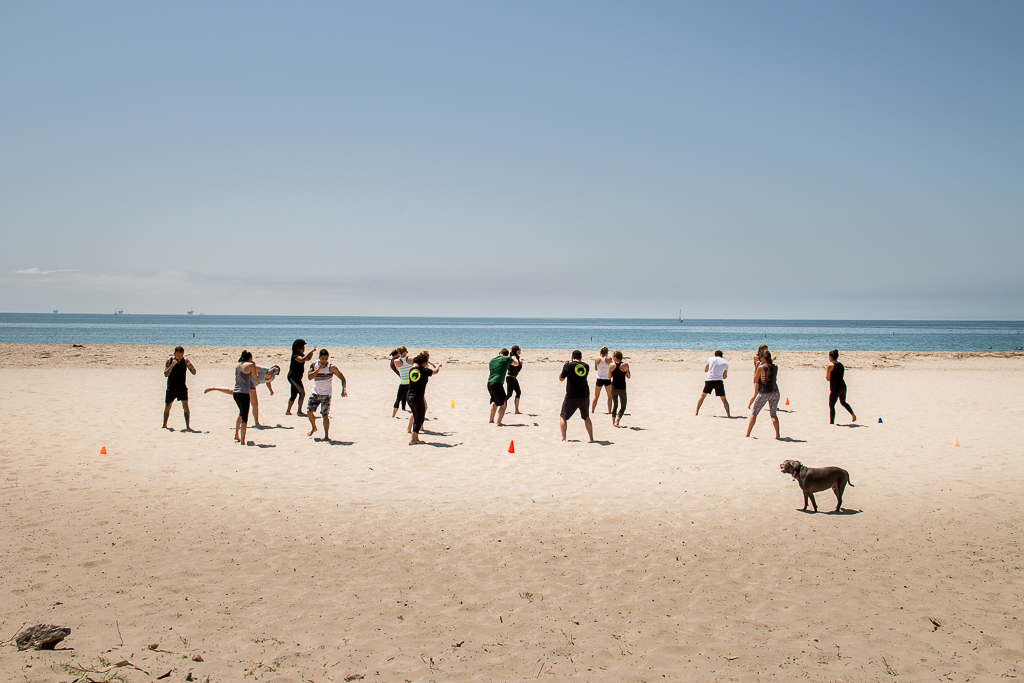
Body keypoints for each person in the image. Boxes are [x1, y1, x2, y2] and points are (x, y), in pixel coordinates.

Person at [204, 364, 280, 427]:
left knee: (232, 392)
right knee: (255, 403)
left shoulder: (272, 378)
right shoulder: (264, 369)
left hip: (252, 384)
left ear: (275, 375)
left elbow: (268, 382)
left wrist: (270, 390)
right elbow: (251, 367)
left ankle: (214, 388)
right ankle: (257, 423)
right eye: (270, 371)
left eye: (272, 373)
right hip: (248, 381)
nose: (269, 373)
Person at [306, 349, 347, 441]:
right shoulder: (314, 365)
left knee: (325, 415)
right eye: (322, 358)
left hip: (326, 394)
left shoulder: (331, 367)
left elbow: (342, 378)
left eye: (326, 359)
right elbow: (309, 377)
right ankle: (314, 427)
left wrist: (344, 390)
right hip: (315, 392)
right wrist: (319, 369)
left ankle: (326, 436)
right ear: (319, 358)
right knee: (309, 412)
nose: (324, 361)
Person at [559, 350, 595, 442]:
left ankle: (563, 438)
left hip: (572, 395)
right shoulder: (586, 366)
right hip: (584, 395)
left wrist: (565, 365)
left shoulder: (568, 366)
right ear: (581, 357)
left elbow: (561, 378)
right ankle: (591, 438)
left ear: (572, 357)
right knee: (586, 417)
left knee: (563, 416)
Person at [407, 353, 441, 445]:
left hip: (409, 396)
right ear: (425, 362)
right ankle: (413, 439)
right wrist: (437, 366)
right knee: (420, 419)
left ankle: (415, 438)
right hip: (417, 398)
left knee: (416, 417)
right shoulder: (424, 371)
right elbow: (435, 371)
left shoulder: (412, 370)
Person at [746, 350, 781, 439]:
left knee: (754, 413)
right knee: (773, 414)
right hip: (775, 392)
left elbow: (755, 380)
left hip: (764, 393)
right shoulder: (775, 366)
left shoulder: (761, 367)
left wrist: (756, 367)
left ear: (764, 358)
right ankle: (777, 435)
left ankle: (748, 434)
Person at [162, 346, 196, 430]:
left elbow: (194, 372)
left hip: (182, 388)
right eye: (177, 356)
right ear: (174, 354)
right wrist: (172, 365)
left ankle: (188, 426)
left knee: (185, 406)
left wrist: (190, 366)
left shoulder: (185, 361)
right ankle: (164, 425)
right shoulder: (169, 361)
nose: (179, 358)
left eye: (180, 356)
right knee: (168, 406)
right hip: (171, 388)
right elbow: (166, 374)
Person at [232, 350, 258, 444]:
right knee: (245, 418)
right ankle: (242, 441)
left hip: (236, 392)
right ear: (249, 358)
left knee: (241, 413)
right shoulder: (250, 365)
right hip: (244, 393)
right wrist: (253, 367)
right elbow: (256, 378)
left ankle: (236, 434)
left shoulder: (237, 365)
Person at [286, 339, 316, 416]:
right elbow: (302, 360)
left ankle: (288, 411)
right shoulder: (295, 356)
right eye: (302, 348)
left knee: (294, 394)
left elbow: (308, 358)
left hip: (297, 378)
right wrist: (310, 352)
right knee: (302, 393)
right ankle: (299, 411)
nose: (304, 349)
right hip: (293, 377)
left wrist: (311, 353)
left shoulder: (301, 355)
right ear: (298, 349)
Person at [696, 350, 731, 417]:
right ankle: (728, 414)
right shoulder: (725, 363)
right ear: (722, 356)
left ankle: (696, 412)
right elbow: (724, 376)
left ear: (715, 355)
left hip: (710, 380)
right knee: (723, 399)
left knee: (703, 396)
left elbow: (706, 369)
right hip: (719, 381)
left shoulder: (711, 359)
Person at [826, 349, 856, 424]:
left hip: (835, 388)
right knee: (843, 402)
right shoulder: (841, 365)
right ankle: (852, 414)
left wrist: (826, 370)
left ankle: (831, 422)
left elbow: (828, 378)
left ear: (831, 357)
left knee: (831, 405)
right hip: (843, 386)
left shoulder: (830, 366)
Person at [487, 348, 512, 426]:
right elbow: (515, 364)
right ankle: (498, 423)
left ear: (499, 353)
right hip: (497, 383)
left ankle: (491, 420)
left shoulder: (492, 361)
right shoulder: (506, 358)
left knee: (495, 402)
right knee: (503, 404)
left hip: (489, 383)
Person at [608, 350, 630, 428]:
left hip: (613, 387)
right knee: (623, 406)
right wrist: (625, 371)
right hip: (622, 388)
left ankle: (613, 421)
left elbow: (609, 377)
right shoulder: (625, 365)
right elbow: (628, 376)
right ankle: (617, 421)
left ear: (615, 357)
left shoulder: (611, 365)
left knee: (615, 405)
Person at [392, 347, 413, 418]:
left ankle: (393, 415)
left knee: (398, 398)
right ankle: (414, 412)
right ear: (404, 352)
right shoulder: (410, 359)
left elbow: (398, 370)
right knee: (412, 398)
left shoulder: (396, 361)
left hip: (403, 382)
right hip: (410, 382)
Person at [591, 347, 613, 414]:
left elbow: (596, 368)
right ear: (607, 352)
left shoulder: (597, 359)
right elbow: (612, 367)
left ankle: (592, 410)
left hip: (599, 378)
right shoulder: (609, 359)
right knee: (609, 396)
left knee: (596, 396)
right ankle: (609, 411)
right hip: (607, 378)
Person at [748, 345, 770, 410]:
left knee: (768, 391)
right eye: (765, 350)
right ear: (761, 350)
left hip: (763, 375)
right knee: (756, 392)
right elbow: (758, 365)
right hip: (757, 375)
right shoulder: (756, 357)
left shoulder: (765, 357)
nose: (767, 351)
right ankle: (749, 405)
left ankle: (771, 405)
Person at [505, 345, 524, 414]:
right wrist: (519, 363)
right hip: (510, 377)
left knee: (518, 392)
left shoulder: (516, 357)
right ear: (516, 351)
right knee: (509, 394)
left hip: (513, 378)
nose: (520, 351)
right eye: (519, 350)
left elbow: (517, 368)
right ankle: (500, 405)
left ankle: (516, 410)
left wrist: (520, 364)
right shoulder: (513, 357)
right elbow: (515, 364)